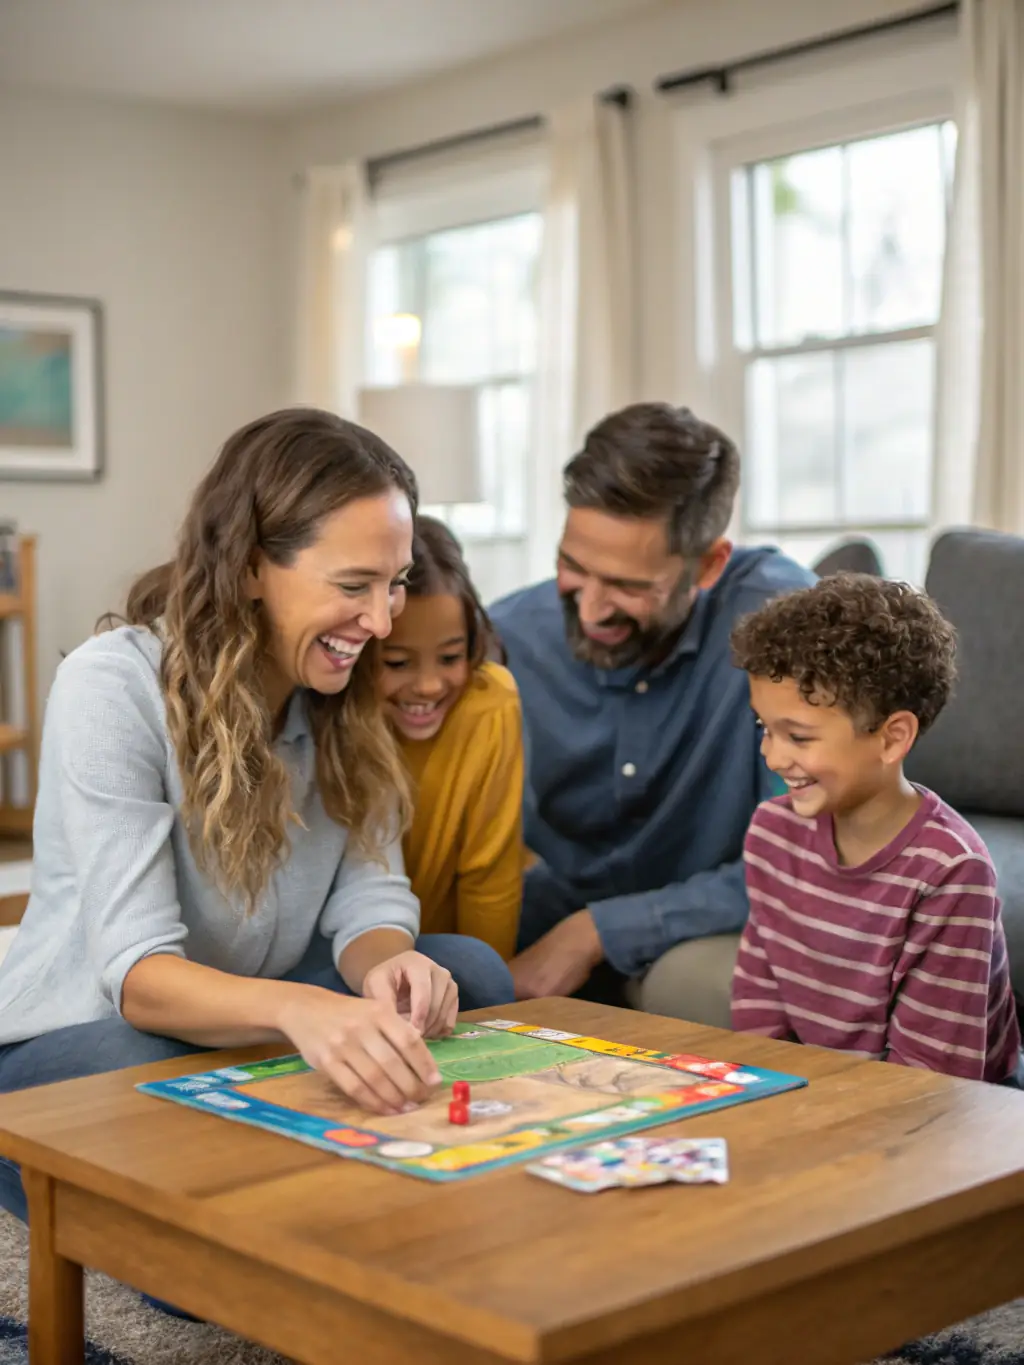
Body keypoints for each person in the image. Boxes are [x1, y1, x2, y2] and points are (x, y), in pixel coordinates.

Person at [0, 408, 516, 1227]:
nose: (382, 623)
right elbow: (138, 977)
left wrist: (386, 966)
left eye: (395, 583)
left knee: (468, 971)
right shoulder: (113, 686)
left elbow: (370, 898)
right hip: (101, 1027)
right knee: (150, 1072)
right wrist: (302, 1011)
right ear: (248, 566)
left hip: (255, 1014)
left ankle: (284, 1150)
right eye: (354, 586)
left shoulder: (342, 689)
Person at [489, 402, 813, 1014]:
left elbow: (809, 855)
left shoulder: (781, 624)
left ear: (711, 564)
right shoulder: (506, 639)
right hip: (551, 902)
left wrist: (600, 931)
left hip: (714, 923)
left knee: (693, 987)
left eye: (631, 587)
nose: (589, 610)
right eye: (572, 567)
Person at [729, 573, 1021, 1083]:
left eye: (797, 737)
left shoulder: (950, 873)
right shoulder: (771, 834)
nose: (771, 755)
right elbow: (760, 1010)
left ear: (892, 739)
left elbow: (931, 1080)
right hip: (827, 1097)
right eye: (764, 728)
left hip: (954, 1112)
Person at [379, 515, 523, 960]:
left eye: (450, 657)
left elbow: (489, 874)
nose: (428, 685)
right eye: (398, 663)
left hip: (441, 954)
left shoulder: (489, 704)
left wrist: (489, 1002)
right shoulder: (332, 712)